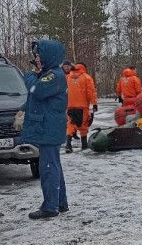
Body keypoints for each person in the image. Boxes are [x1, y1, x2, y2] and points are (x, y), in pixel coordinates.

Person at [17, 40, 69, 220]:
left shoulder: (54, 76)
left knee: (48, 167)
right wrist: (24, 109)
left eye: (39, 55)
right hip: (49, 127)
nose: (37, 59)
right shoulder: (49, 75)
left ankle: (50, 206)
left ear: (49, 55)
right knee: (53, 165)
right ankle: (60, 202)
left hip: (50, 128)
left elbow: (37, 91)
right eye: (36, 56)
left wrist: (29, 76)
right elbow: (39, 99)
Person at [65, 62, 98, 152]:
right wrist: (94, 103)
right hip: (82, 106)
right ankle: (84, 144)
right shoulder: (86, 77)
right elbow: (91, 92)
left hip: (70, 106)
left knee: (71, 124)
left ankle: (68, 144)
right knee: (83, 125)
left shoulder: (68, 77)